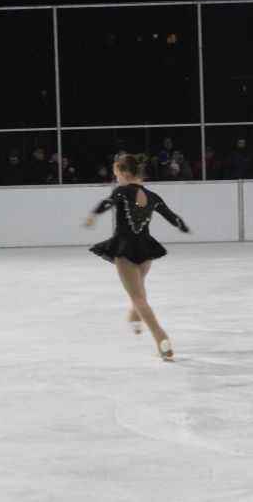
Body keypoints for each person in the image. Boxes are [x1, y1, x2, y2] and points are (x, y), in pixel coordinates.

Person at [83, 153, 190, 361]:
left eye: (116, 175)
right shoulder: (153, 196)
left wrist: (92, 215)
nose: (116, 179)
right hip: (146, 249)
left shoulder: (122, 192)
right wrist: (184, 228)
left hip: (125, 249)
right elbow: (172, 216)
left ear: (124, 173)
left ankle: (161, 337)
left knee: (137, 297)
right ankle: (134, 315)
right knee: (138, 289)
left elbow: (107, 203)